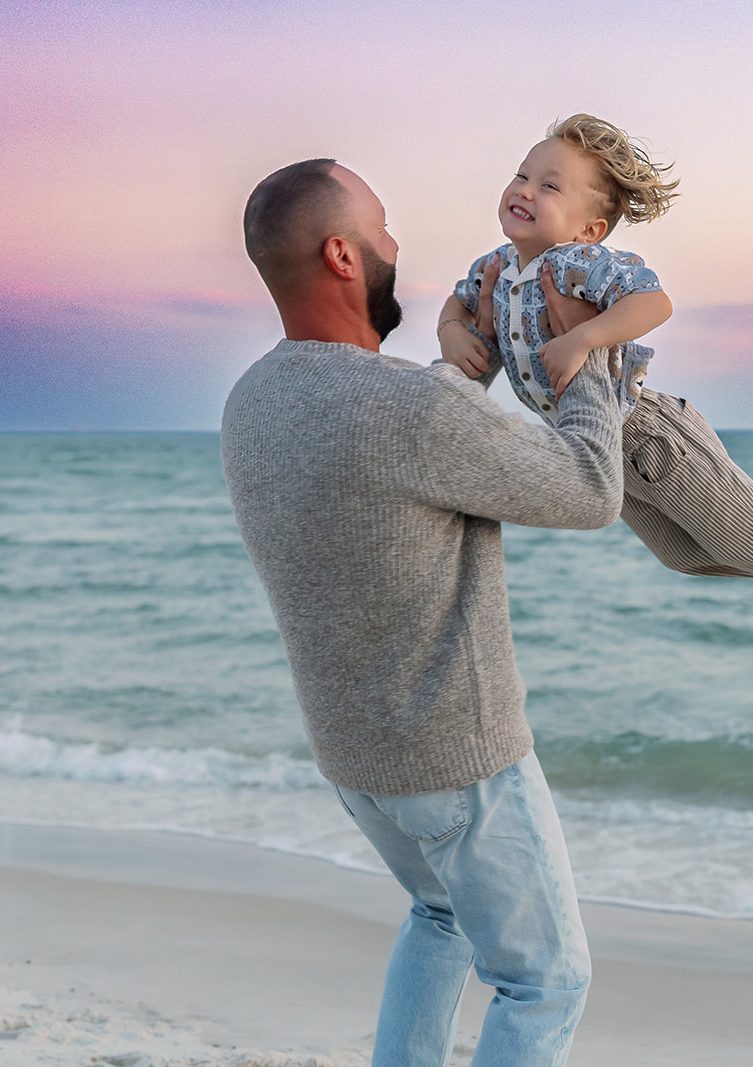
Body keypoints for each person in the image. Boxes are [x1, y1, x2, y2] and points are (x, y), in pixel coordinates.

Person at [222, 158, 622, 1066]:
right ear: (341, 255)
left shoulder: (251, 402)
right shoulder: (404, 411)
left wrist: (457, 369)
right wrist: (586, 351)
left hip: (360, 764)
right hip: (459, 761)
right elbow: (591, 489)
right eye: (383, 226)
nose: (397, 244)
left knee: (440, 915)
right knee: (543, 980)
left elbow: (405, 459)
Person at [438, 114, 753, 650]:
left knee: (743, 529)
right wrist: (451, 332)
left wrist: (583, 339)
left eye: (550, 186)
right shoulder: (494, 265)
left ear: (589, 230)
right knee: (684, 557)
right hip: (599, 449)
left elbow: (655, 302)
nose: (525, 191)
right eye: (522, 176)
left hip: (650, 433)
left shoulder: (578, 263)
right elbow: (459, 304)